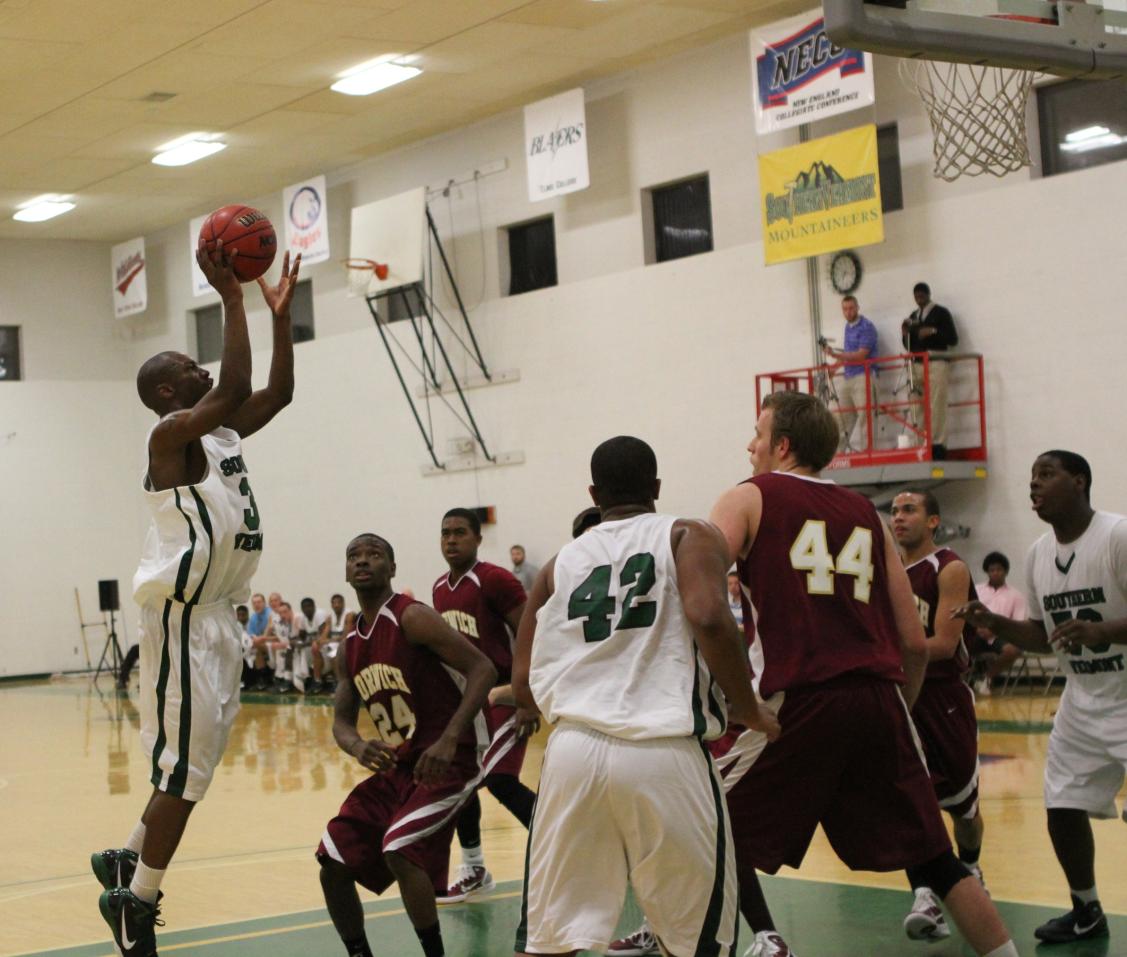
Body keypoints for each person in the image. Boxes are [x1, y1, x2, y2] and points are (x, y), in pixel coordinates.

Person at [708, 391, 1016, 957]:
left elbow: (700, 594)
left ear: (782, 444)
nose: (748, 445)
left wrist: (734, 699)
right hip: (879, 698)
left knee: (705, 822)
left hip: (796, 696)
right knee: (938, 859)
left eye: (756, 433)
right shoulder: (866, 516)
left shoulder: (748, 497)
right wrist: (900, 707)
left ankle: (765, 940)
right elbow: (912, 643)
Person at [90, 244, 302, 956]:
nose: (202, 367)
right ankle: (135, 902)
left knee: (192, 766)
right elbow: (236, 379)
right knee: (184, 774)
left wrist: (281, 319)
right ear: (167, 394)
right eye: (188, 367)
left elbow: (274, 392)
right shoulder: (169, 438)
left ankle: (126, 855)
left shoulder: (220, 430)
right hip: (180, 620)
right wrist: (233, 296)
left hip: (218, 620)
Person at [511, 435, 779, 957]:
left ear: (593, 493)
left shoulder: (558, 565)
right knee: (695, 940)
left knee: (550, 941)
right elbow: (708, 615)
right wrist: (747, 709)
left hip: (571, 754)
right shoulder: (685, 533)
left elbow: (522, 684)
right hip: (663, 747)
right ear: (656, 486)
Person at [955, 450, 1127, 945]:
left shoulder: (1115, 536)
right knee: (1062, 805)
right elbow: (1041, 634)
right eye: (1031, 477)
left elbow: (1103, 627)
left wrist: (1104, 631)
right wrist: (996, 624)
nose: (1034, 485)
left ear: (1079, 481)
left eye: (1046, 475)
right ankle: (1087, 907)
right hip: (1083, 696)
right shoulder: (1036, 555)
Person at [316, 532, 496, 957]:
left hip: (448, 761)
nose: (362, 561)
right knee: (332, 861)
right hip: (400, 768)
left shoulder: (412, 617)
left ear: (392, 568)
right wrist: (358, 746)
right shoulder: (349, 646)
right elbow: (341, 723)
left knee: (399, 849)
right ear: (345, 570)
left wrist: (451, 738)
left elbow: (483, 669)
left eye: (374, 555)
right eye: (353, 555)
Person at [890, 489, 987, 942]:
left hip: (944, 697)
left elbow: (946, 645)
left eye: (909, 510)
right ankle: (926, 894)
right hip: (901, 696)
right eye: (893, 511)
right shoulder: (883, 571)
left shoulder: (949, 568)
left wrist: (885, 653)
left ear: (933, 521)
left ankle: (969, 868)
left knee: (964, 811)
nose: (899, 517)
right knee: (912, 802)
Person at [432, 508, 533, 904]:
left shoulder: (495, 579)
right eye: (445, 534)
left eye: (460, 533)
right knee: (463, 782)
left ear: (477, 539)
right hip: (468, 702)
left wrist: (526, 697)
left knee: (500, 780)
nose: (451, 540)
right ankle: (473, 868)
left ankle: (565, 848)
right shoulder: (441, 587)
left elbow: (530, 631)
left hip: (506, 695)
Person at [901, 282, 958, 459]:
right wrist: (904, 333)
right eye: (916, 296)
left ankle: (938, 444)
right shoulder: (913, 316)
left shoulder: (941, 313)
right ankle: (921, 444)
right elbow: (908, 345)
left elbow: (952, 339)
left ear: (928, 294)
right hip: (917, 363)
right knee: (915, 405)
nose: (919, 299)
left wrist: (932, 331)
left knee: (937, 403)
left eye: (921, 295)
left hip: (936, 361)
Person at [822, 294, 880, 453]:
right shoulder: (848, 327)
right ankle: (836, 455)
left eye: (851, 308)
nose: (848, 312)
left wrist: (836, 355)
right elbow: (849, 353)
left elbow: (861, 355)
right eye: (845, 309)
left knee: (865, 418)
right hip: (849, 376)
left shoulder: (867, 327)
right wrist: (836, 366)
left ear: (857, 308)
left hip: (864, 376)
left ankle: (869, 453)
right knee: (841, 418)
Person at [973, 552, 1026, 696]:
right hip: (975, 633)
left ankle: (987, 679)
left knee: (1013, 650)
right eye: (992, 570)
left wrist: (995, 630)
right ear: (987, 572)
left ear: (1005, 571)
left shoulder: (1016, 595)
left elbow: (1018, 623)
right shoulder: (977, 590)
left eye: (999, 569)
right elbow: (967, 614)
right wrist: (977, 628)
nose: (995, 573)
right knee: (956, 647)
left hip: (999, 636)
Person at [293, 596, 331, 693]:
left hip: (327, 644)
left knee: (314, 648)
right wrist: (297, 642)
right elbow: (301, 636)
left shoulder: (320, 614)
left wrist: (306, 643)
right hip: (313, 645)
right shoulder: (302, 617)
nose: (307, 609)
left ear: (314, 606)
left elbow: (323, 636)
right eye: (304, 607)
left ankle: (318, 681)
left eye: (309, 606)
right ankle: (306, 679)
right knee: (298, 650)